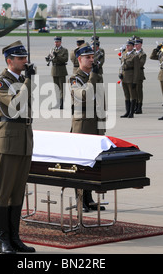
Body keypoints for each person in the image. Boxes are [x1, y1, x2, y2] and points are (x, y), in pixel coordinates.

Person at [0, 40, 36, 254]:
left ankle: (15, 238)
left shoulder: (23, 80)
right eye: (20, 58)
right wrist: (28, 81)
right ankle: (3, 241)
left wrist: (28, 81)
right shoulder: (1, 82)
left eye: (25, 57)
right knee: (4, 192)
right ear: (9, 60)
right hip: (9, 139)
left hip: (25, 137)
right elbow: (14, 106)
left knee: (18, 192)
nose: (24, 61)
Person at [69, 42, 106, 212]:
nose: (91, 60)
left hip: (95, 124)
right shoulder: (75, 78)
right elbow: (85, 96)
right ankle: (80, 199)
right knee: (81, 165)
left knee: (92, 164)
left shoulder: (95, 75)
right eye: (87, 57)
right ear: (79, 59)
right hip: (83, 125)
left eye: (92, 57)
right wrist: (94, 77)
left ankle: (89, 197)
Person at [47, 36, 68, 109]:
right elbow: (50, 58)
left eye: (58, 42)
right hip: (54, 70)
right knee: (56, 88)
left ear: (60, 42)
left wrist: (57, 56)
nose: (56, 43)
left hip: (61, 70)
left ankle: (61, 103)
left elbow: (65, 59)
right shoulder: (52, 50)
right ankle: (57, 103)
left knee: (62, 88)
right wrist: (48, 59)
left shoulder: (64, 50)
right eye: (55, 42)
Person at [119, 40, 138, 118]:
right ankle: (127, 111)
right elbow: (122, 66)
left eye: (129, 45)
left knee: (132, 96)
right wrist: (120, 73)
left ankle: (131, 112)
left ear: (133, 46)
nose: (127, 47)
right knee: (126, 95)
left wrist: (135, 81)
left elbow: (136, 70)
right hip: (124, 77)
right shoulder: (124, 55)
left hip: (131, 77)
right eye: (127, 45)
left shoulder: (135, 56)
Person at [133, 38, 146, 114]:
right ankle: (134, 105)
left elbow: (140, 64)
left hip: (139, 74)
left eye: (137, 44)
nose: (135, 46)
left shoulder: (142, 54)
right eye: (135, 44)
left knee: (139, 91)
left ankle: (139, 106)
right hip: (132, 74)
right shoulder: (133, 53)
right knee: (133, 91)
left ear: (140, 44)